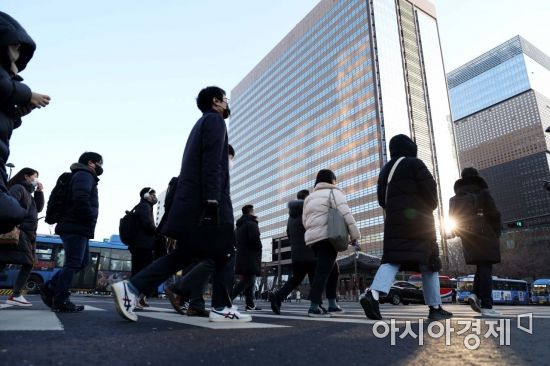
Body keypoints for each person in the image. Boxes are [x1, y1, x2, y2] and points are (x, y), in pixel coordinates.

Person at [111, 86, 251, 323]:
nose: (227, 104)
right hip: (208, 202)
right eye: (225, 99)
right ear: (216, 101)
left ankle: (132, 289)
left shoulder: (201, 123)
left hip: (194, 203)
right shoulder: (215, 122)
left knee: (188, 253)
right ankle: (221, 307)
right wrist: (213, 200)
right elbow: (212, 163)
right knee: (227, 250)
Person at [359, 134, 452, 321]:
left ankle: (374, 294)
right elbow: (432, 196)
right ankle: (435, 307)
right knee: (429, 262)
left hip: (394, 223)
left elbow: (381, 200)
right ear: (411, 148)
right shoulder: (415, 164)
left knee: (392, 259)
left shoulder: (386, 169)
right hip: (420, 223)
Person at [0, 12, 49, 232]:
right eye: (15, 46)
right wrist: (26, 94)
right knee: (8, 211)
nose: (17, 53)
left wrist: (17, 113)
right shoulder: (19, 188)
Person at [39, 152, 103, 313]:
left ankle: (50, 287)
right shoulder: (84, 175)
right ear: (91, 162)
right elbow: (81, 198)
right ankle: (60, 298)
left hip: (78, 226)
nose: (102, 167)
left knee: (81, 262)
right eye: (100, 163)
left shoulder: (84, 175)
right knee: (74, 262)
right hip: (76, 225)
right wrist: (88, 217)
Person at [303, 169, 360, 317]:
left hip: (314, 240)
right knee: (323, 271)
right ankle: (314, 306)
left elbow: (305, 221)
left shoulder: (309, 198)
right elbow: (346, 213)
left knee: (334, 270)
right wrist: (354, 235)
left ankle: (332, 303)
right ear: (332, 180)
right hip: (328, 237)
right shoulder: (333, 192)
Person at [452, 167, 502, 317]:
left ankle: (475, 294)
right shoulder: (483, 192)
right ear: (476, 177)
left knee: (481, 266)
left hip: (467, 236)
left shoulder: (456, 197)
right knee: (486, 266)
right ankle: (487, 305)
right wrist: (496, 231)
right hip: (484, 233)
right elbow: (494, 214)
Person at [0, 167, 43, 306]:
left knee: (6, 260)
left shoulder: (29, 194)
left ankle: (16, 295)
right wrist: (23, 217)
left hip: (28, 234)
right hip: (20, 231)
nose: (36, 179)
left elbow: (39, 208)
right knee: (25, 262)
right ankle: (16, 294)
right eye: (34, 176)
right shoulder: (18, 188)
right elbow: (10, 207)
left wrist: (39, 192)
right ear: (26, 176)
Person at [269, 189, 316, 315]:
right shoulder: (308, 212)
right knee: (315, 279)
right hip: (310, 251)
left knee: (296, 279)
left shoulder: (291, 217)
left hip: (296, 254)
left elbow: (288, 234)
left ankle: (278, 296)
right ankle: (316, 305)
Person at [129, 187, 158, 308]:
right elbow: (148, 224)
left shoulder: (145, 207)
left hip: (141, 244)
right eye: (152, 194)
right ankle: (133, 298)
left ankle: (139, 299)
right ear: (145, 195)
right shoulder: (144, 206)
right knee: (142, 273)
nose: (154, 196)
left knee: (141, 272)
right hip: (142, 245)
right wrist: (157, 231)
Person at [231, 204, 262, 310]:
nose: (255, 212)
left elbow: (234, 242)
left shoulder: (238, 226)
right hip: (251, 256)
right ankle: (228, 298)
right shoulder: (252, 223)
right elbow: (255, 239)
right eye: (253, 211)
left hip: (241, 256)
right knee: (248, 280)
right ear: (250, 212)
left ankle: (250, 304)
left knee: (250, 279)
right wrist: (259, 248)